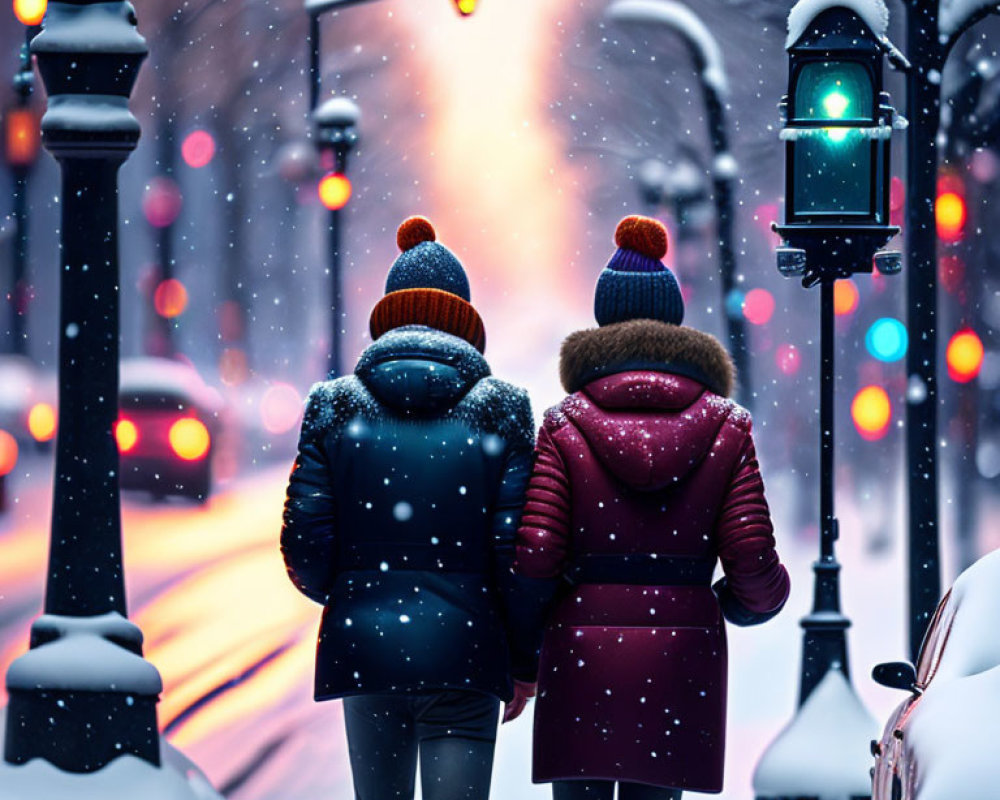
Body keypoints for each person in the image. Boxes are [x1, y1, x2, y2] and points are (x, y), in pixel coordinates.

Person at [514, 215, 791, 800]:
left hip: (582, 648)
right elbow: (751, 558)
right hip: (679, 650)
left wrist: (524, 649)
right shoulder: (727, 426)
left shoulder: (564, 425)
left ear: (601, 321)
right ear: (675, 320)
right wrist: (728, 603)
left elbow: (537, 552)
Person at [281, 216, 544, 800]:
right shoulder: (502, 410)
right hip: (467, 652)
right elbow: (519, 553)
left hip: (367, 649)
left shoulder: (334, 405)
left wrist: (359, 595)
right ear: (466, 323)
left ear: (386, 319)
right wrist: (523, 657)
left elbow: (304, 542)